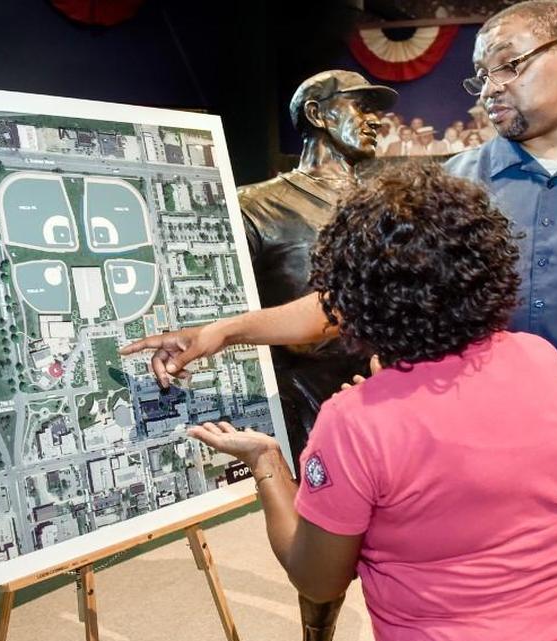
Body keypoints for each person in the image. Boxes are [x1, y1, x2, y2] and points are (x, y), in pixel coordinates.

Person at [123, 0, 557, 529]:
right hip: (474, 469)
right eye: (481, 75)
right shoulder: (452, 185)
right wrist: (225, 330)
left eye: (509, 66)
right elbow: (355, 302)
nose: (489, 89)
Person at [188, 163, 557, 641]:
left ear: (349, 294)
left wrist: (266, 461)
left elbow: (317, 578)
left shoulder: (354, 422)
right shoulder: (541, 359)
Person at [233, 68, 397, 641]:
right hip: (307, 401)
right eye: (360, 106)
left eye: (378, 109)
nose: (374, 120)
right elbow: (238, 308)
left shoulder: (387, 203)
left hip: (387, 394)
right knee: (322, 551)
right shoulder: (255, 206)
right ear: (319, 114)